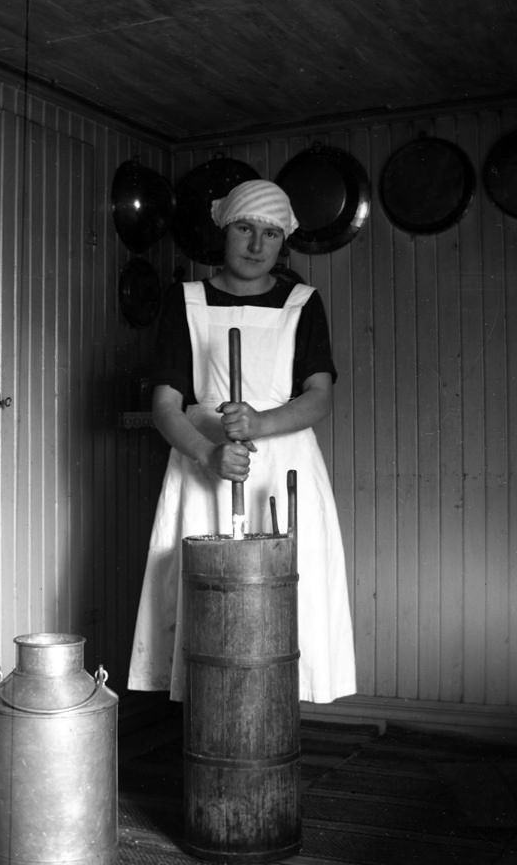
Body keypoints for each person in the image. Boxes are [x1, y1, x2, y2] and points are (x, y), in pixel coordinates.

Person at [127, 179, 356, 704]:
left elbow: (319, 397)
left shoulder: (302, 303)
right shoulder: (185, 300)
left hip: (281, 464)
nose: (257, 246)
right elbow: (165, 405)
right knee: (209, 597)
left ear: (284, 242)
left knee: (283, 593)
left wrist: (259, 424)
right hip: (203, 461)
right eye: (245, 229)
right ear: (223, 230)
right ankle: (213, 710)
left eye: (271, 234)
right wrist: (209, 453)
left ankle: (274, 716)